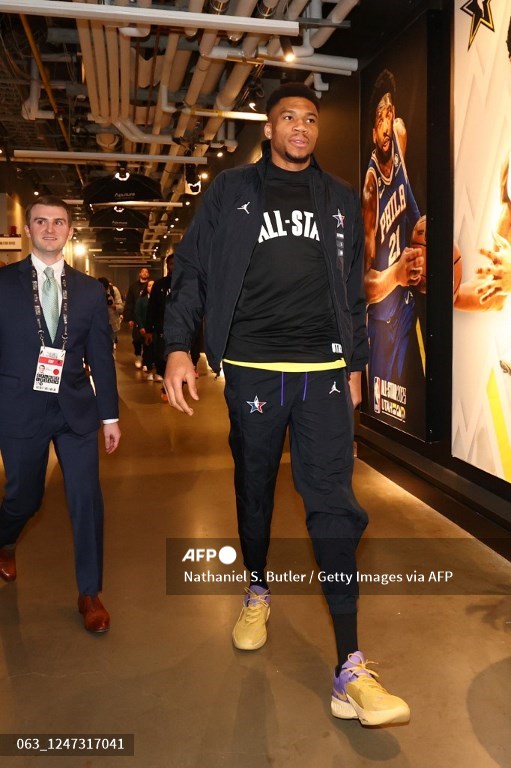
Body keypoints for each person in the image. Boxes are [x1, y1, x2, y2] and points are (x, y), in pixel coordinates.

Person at [164, 82, 410, 726]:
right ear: (269, 129)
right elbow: (192, 269)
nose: (300, 127)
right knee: (254, 489)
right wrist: (178, 347)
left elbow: (352, 291)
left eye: (309, 119)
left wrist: (355, 364)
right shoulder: (231, 192)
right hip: (252, 370)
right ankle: (257, 588)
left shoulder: (337, 198)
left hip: (322, 371)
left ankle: (350, 668)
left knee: (333, 502)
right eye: (288, 118)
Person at [0, 195, 120, 633]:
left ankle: (89, 592)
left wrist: (110, 416)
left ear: (70, 231)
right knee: (24, 497)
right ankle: (5, 539)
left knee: (86, 499)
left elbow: (100, 357)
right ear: (28, 229)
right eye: (41, 221)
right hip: (19, 409)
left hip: (75, 411)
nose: (50, 229)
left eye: (58, 222)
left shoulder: (89, 290)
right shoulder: (3, 284)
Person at [362, 69, 423, 425]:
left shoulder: (400, 135)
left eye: (388, 115)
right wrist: (396, 273)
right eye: (379, 120)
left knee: (416, 408)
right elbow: (364, 285)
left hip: (407, 305)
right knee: (385, 413)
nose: (386, 127)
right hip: (382, 319)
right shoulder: (371, 190)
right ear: (373, 133)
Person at [146, 254, 173, 398]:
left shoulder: (185, 284)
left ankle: (170, 387)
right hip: (161, 328)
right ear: (167, 265)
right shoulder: (159, 285)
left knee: (176, 357)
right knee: (161, 358)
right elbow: (152, 307)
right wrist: (149, 329)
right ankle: (166, 383)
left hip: (180, 328)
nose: (174, 267)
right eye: (171, 264)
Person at [123, 266, 151, 368]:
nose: (144, 273)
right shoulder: (133, 287)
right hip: (137, 317)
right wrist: (129, 318)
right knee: (137, 339)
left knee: (149, 339)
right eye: (143, 272)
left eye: (146, 272)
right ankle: (138, 356)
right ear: (139, 274)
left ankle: (147, 359)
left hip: (149, 316)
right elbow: (129, 303)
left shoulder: (152, 285)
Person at [98, 276, 123, 349]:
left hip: (112, 323)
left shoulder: (114, 290)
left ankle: (110, 355)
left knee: (110, 345)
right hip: (99, 322)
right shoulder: (95, 291)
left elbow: (121, 308)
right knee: (99, 345)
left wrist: (113, 306)